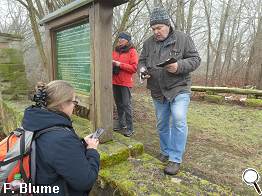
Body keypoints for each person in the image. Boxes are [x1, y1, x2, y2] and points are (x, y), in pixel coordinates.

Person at [138, 7, 201, 175]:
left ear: (167, 24)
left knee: (179, 119)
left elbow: (195, 59)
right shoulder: (148, 43)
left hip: (179, 88)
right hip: (157, 90)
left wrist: (178, 66)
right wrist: (142, 70)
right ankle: (165, 151)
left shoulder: (183, 39)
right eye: (153, 29)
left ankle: (175, 158)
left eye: (159, 28)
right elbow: (142, 61)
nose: (156, 32)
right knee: (162, 123)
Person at [21, 80, 100, 195]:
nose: (74, 105)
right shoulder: (61, 138)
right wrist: (92, 151)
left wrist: (81, 143)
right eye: (74, 102)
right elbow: (85, 180)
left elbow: (53, 154)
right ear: (62, 104)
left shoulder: (36, 122)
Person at [112, 32, 139, 137]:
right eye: (119, 39)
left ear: (128, 40)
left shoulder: (132, 51)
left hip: (125, 82)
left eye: (122, 39)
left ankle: (130, 127)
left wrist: (119, 64)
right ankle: (121, 124)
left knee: (126, 105)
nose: (120, 41)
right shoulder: (115, 51)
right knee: (118, 104)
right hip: (114, 81)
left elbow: (134, 68)